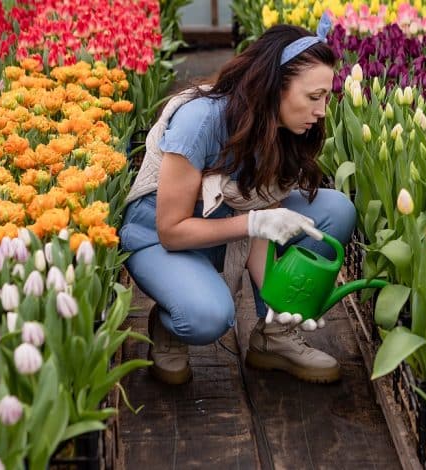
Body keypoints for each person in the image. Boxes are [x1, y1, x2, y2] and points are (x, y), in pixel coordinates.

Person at [119, 17, 356, 385]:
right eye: (313, 97)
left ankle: (273, 340)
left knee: (335, 210)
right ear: (275, 87)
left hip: (228, 229)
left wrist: (282, 306)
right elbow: (171, 230)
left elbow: (260, 220)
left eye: (326, 97)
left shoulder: (285, 129)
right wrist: (255, 223)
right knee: (208, 316)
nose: (322, 110)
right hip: (161, 236)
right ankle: (171, 324)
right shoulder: (201, 121)